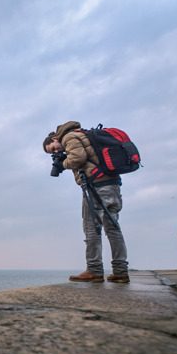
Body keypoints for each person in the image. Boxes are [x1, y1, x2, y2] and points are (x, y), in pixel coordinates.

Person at [43, 121, 130, 283]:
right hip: (113, 184)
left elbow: (78, 158)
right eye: (52, 152)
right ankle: (120, 271)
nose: (56, 150)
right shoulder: (83, 133)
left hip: (96, 186)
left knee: (92, 228)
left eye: (53, 147)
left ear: (55, 137)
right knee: (113, 228)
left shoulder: (69, 137)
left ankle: (94, 270)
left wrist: (62, 164)